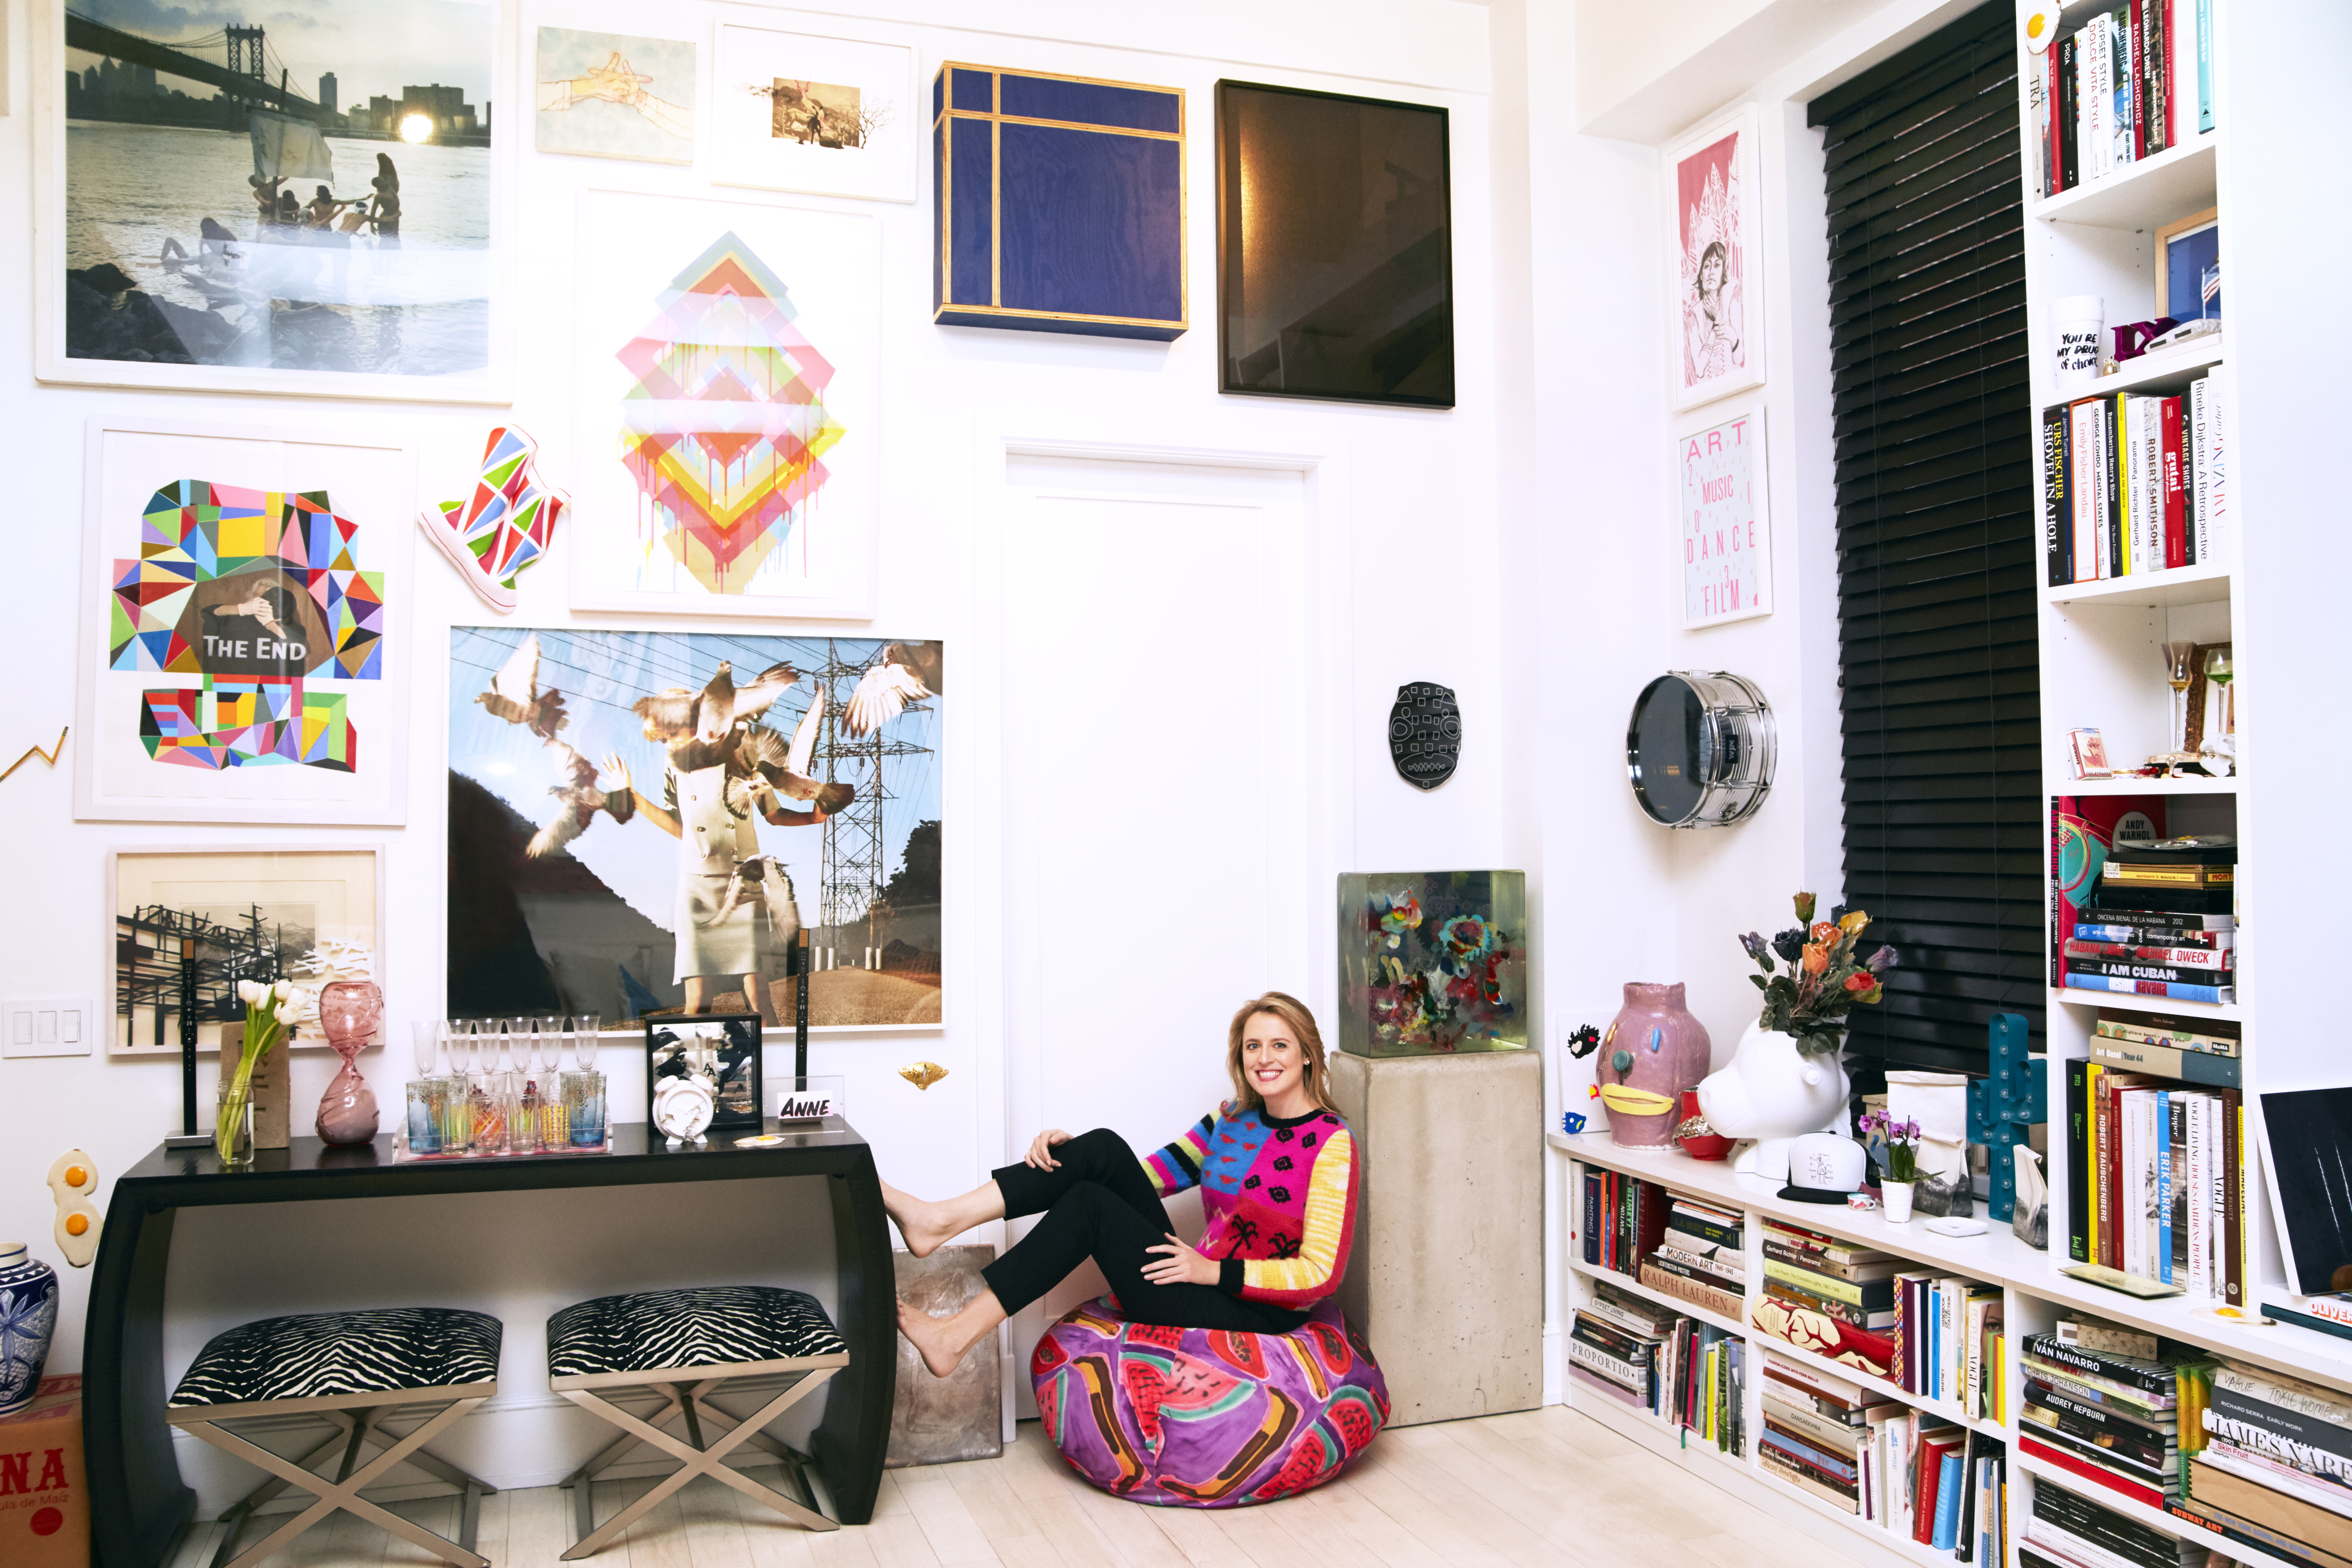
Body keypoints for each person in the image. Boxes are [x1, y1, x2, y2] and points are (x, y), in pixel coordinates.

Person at [885, 993, 1358, 1378]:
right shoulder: (1231, 1119)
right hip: (1190, 1275)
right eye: (1253, 1046)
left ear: (1307, 1054)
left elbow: (1322, 1273)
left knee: (1090, 1203)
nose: (1264, 1058)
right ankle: (939, 1220)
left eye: (1279, 1045)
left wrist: (1211, 1273)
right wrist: (1074, 1156)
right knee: (1103, 1150)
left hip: (1252, 1309)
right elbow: (1145, 1175)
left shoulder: (1332, 1144)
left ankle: (955, 1335)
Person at [607, 735, 827, 1027]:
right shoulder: (676, 762)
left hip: (743, 881)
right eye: (663, 736)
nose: (668, 740)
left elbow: (773, 814)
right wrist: (631, 795)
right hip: (697, 887)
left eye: (670, 731)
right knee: (697, 1003)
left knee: (759, 999)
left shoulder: (746, 757)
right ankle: (690, 1073)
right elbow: (679, 826)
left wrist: (813, 818)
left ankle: (774, 1071)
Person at [1684, 238, 1743, 384]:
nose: (1711, 272)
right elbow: (1699, 369)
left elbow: (1739, 357)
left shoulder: (1732, 292)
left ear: (1723, 271)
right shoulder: (1693, 316)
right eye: (1707, 266)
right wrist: (1717, 325)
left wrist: (1721, 320)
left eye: (1717, 265)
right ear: (1701, 275)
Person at [368, 154, 401, 244]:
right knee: (385, 243)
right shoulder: (380, 196)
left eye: (384, 180)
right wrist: (372, 225)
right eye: (382, 181)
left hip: (395, 218)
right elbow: (373, 212)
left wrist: (383, 160)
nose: (384, 181)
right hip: (386, 220)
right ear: (379, 185)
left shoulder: (390, 187)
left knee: (395, 242)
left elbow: (389, 173)